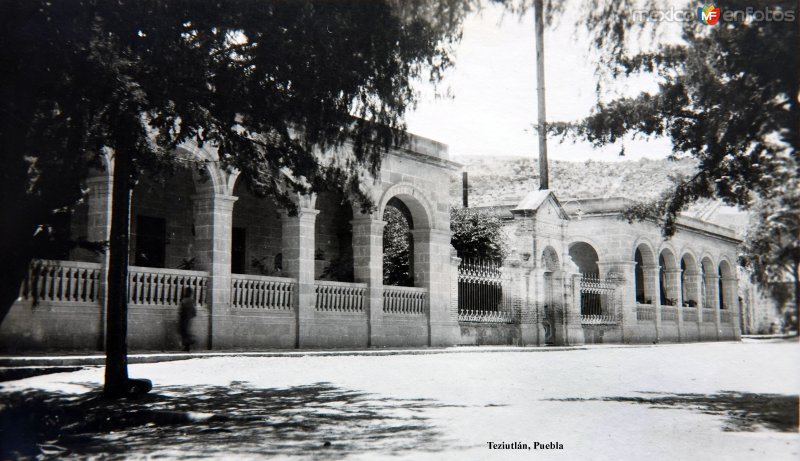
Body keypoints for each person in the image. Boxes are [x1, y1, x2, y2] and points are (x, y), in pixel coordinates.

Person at [179, 287, 197, 351]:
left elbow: (182, 310)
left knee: (184, 332)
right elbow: (194, 312)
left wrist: (183, 315)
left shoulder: (185, 300)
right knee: (185, 332)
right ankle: (187, 346)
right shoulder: (191, 301)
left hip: (184, 318)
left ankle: (191, 341)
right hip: (188, 318)